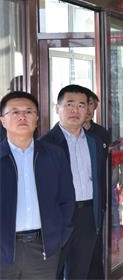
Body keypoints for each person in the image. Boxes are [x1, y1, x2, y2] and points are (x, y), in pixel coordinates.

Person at [0, 91, 75, 278]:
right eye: (15, 112)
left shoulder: (54, 155)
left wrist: (59, 236)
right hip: (3, 248)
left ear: (37, 119)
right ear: (3, 120)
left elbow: (67, 198)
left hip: (43, 249)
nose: (22, 116)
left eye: (29, 111)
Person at [39, 84, 107, 279]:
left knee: (80, 271)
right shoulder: (44, 144)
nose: (75, 110)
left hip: (87, 215)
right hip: (57, 217)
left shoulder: (95, 142)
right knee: (53, 271)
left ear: (88, 110)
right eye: (69, 104)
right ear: (57, 108)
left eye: (81, 105)